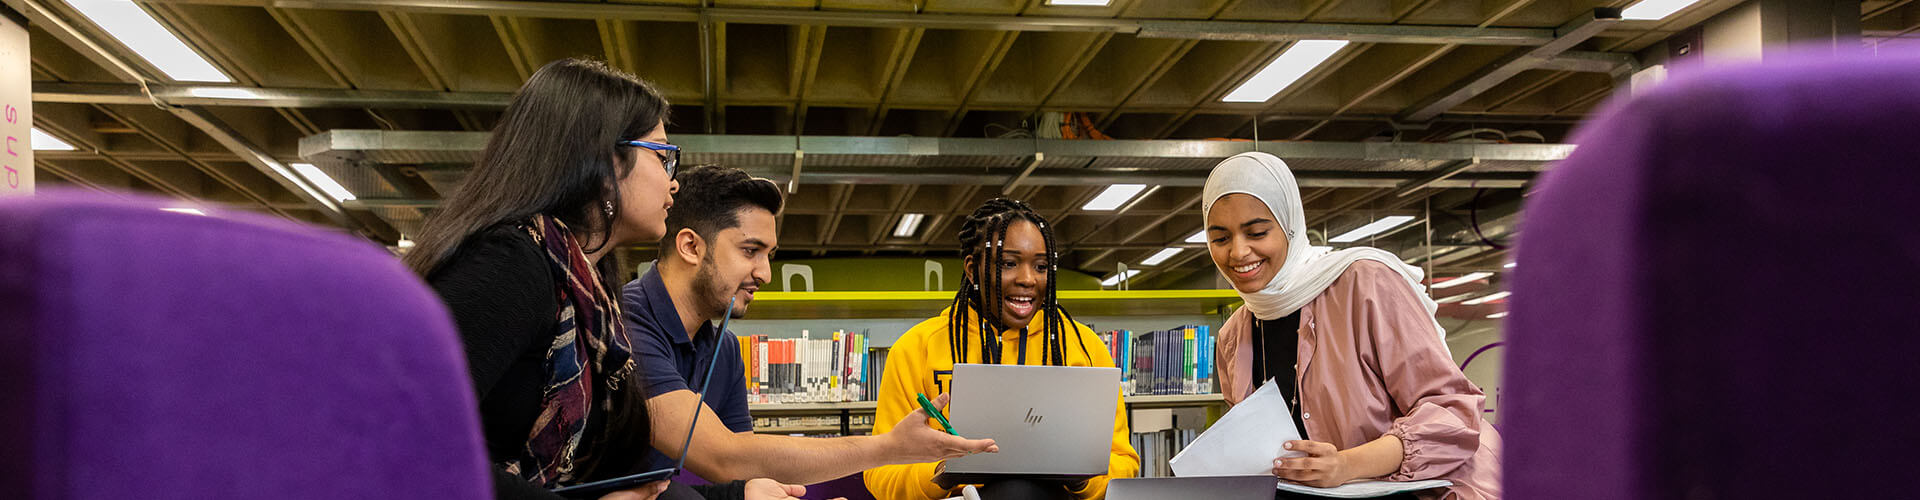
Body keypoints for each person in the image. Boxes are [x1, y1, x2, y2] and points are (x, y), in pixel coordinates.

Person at [410, 58, 811, 500]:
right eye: (663, 157)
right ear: (604, 160)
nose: (673, 183)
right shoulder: (511, 266)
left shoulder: (588, 292)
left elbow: (618, 486)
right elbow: (416, 447)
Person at [621, 165, 999, 486]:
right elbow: (724, 457)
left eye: (769, 255)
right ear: (690, 247)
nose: (765, 274)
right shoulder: (625, 321)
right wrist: (890, 447)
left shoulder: (725, 349)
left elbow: (747, 469)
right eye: (750, 251)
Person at [1200, 152, 1501, 499]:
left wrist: (1347, 465)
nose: (1238, 252)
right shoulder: (1233, 336)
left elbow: (1454, 412)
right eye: (1220, 239)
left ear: (1290, 226)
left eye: (1257, 232)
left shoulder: (1364, 283)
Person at [865, 198, 1141, 500]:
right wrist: (941, 473)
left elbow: (1123, 464)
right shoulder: (916, 348)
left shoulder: (1085, 348)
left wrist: (1082, 477)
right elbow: (879, 473)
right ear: (972, 270)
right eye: (1009, 263)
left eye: (1041, 266)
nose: (1027, 279)